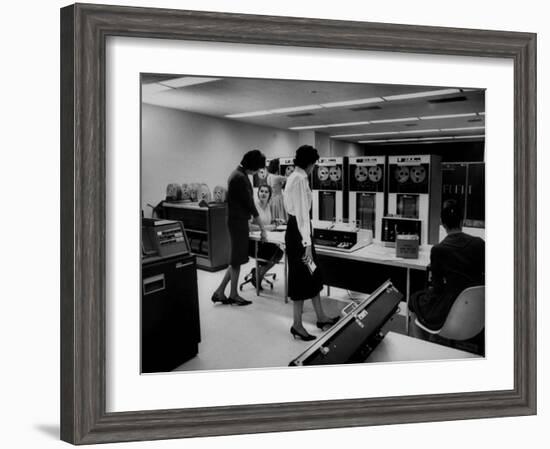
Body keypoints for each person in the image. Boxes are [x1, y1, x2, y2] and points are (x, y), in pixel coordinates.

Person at [283, 145, 339, 341]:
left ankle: (321, 317)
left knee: (313, 272)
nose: (314, 168)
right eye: (314, 164)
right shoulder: (298, 179)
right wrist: (307, 243)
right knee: (301, 276)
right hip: (300, 235)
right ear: (309, 163)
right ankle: (297, 325)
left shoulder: (294, 177)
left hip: (299, 233)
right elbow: (301, 215)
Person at [410, 199, 485, 333]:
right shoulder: (479, 243)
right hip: (477, 310)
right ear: (462, 221)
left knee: (414, 300)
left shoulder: (438, 250)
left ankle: (421, 346)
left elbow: (437, 287)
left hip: (450, 309)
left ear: (443, 223)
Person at [211, 150, 267, 306]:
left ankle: (220, 292)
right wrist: (262, 228)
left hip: (237, 220)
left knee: (236, 260)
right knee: (236, 261)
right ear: (252, 165)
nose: (257, 172)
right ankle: (233, 295)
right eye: (257, 168)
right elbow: (250, 205)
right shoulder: (239, 177)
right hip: (238, 222)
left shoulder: (239, 174)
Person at [247, 184, 284, 289]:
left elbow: (266, 222)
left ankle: (259, 273)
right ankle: (259, 274)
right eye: (261, 191)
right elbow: (249, 227)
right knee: (277, 251)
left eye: (266, 192)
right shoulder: (253, 206)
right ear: (258, 193)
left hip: (265, 240)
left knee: (280, 251)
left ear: (270, 195)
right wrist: (266, 228)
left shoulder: (268, 206)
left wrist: (274, 221)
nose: (263, 194)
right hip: (254, 242)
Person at [266, 158, 287, 223]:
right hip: (278, 199)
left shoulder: (269, 176)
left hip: (271, 199)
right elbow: (289, 179)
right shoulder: (277, 177)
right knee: (280, 217)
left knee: (273, 216)